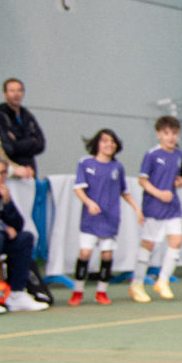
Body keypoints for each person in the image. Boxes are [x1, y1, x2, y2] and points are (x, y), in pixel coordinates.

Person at [130, 114, 182, 304]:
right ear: (159, 134)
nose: (171, 137)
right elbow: (143, 180)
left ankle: (163, 280)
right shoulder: (151, 155)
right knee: (148, 245)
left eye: (174, 133)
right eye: (166, 133)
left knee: (176, 241)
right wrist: (159, 194)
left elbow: (173, 177)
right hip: (154, 206)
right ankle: (137, 284)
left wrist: (178, 182)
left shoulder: (178, 154)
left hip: (172, 206)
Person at [71, 129, 135, 305]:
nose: (109, 144)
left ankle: (101, 291)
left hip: (110, 219)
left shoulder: (117, 167)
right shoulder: (85, 163)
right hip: (90, 220)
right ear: (97, 143)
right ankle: (77, 291)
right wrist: (89, 203)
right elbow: (78, 188)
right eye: (105, 141)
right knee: (85, 253)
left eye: (112, 141)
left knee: (107, 255)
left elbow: (125, 191)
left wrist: (137, 209)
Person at [0, 153, 46, 310]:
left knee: (24, 238)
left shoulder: (2, 193)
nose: (0, 177)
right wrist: (5, 229)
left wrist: (7, 203)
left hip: (0, 238)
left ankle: (16, 294)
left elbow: (18, 224)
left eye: (3, 173)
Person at [0, 77, 45, 181]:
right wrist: (31, 141)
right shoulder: (0, 116)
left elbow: (41, 144)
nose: (16, 94)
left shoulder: (27, 115)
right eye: (12, 91)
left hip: (30, 170)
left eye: (19, 90)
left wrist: (18, 142)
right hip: (10, 172)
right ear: (5, 94)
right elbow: (8, 148)